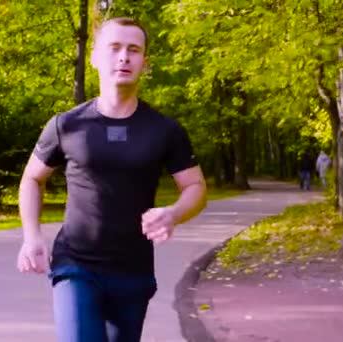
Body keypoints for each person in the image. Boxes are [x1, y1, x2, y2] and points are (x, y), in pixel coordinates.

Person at [15, 17, 207, 342]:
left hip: (133, 271)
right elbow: (32, 179)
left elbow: (196, 188)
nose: (123, 57)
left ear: (144, 62)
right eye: (114, 48)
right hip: (76, 264)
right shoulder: (66, 125)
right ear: (94, 57)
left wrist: (173, 213)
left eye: (134, 50)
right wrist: (31, 236)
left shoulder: (164, 130)